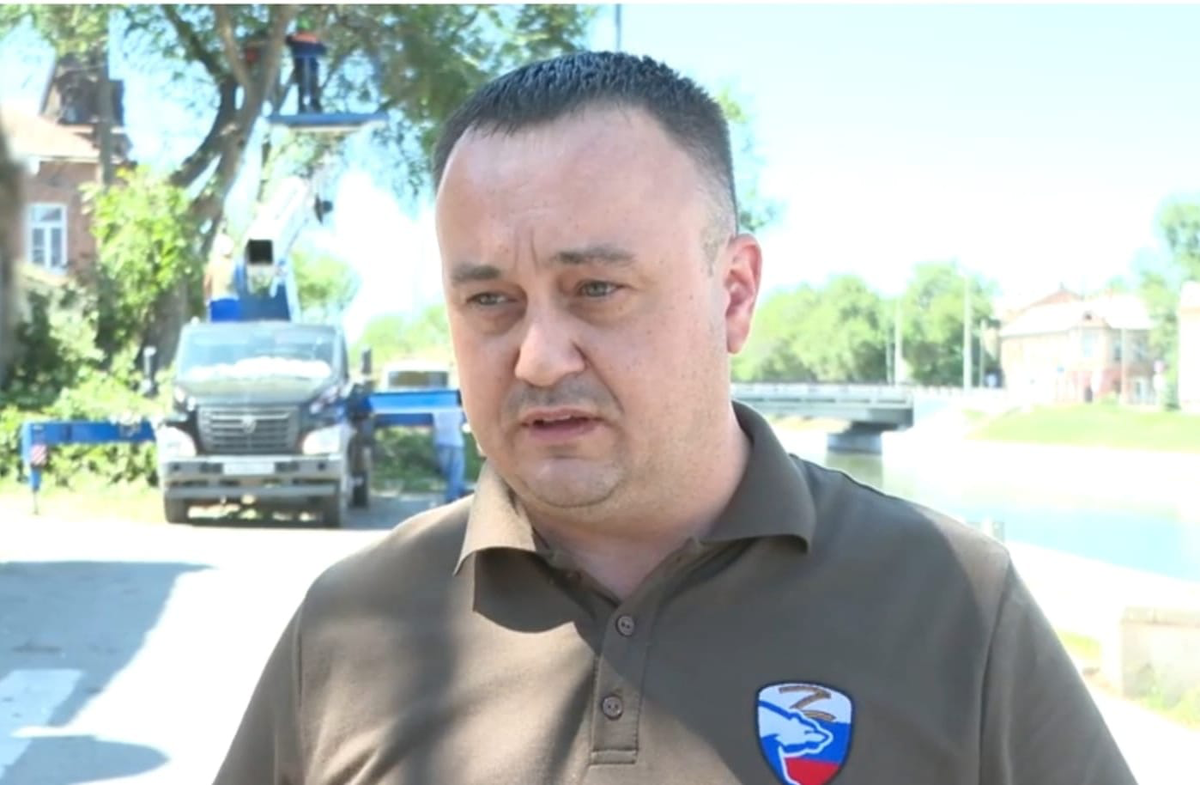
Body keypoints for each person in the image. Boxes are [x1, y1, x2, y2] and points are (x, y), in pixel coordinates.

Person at [213, 52, 1136, 784]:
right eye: (491, 300)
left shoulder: (952, 604)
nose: (539, 356)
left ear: (733, 293)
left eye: (596, 288)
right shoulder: (351, 626)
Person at [284, 19, 326, 114]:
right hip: (312, 67)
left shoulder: (294, 38)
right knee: (313, 86)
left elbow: (286, 40)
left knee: (302, 87)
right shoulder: (313, 38)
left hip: (300, 66)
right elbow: (323, 50)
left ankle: (301, 107)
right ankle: (315, 105)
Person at [431, 403, 466, 503]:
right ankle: (454, 494)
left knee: (447, 472)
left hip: (441, 442)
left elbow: (434, 426)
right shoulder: (458, 409)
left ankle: (458, 491)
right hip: (456, 442)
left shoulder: (436, 408)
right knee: (456, 471)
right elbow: (462, 423)